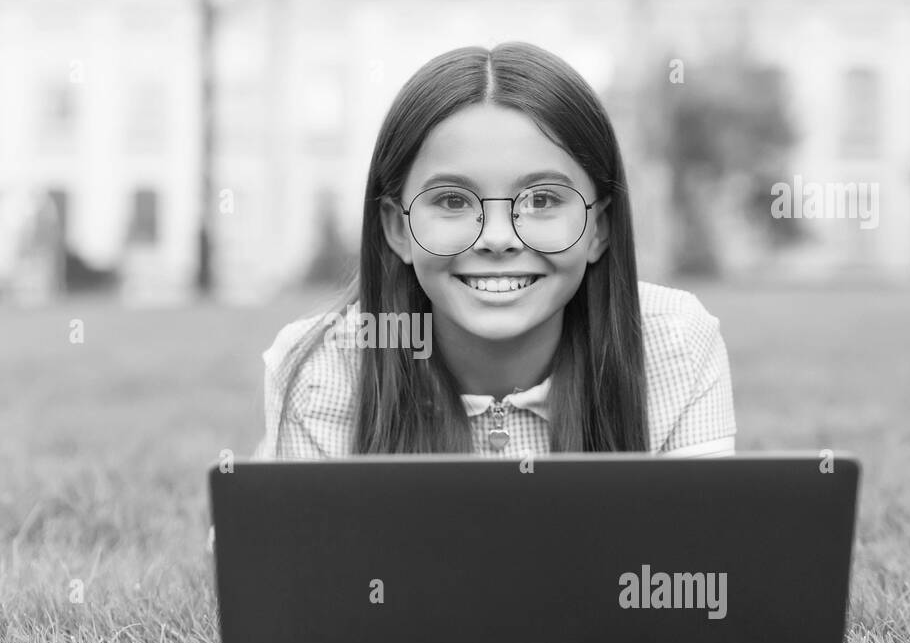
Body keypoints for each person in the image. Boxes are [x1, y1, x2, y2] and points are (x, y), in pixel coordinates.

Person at [254, 41, 735, 459]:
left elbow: (709, 547)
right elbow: (307, 562)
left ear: (599, 228)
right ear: (396, 229)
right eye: (452, 201)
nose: (499, 237)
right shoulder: (324, 368)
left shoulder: (672, 345)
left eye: (543, 200)